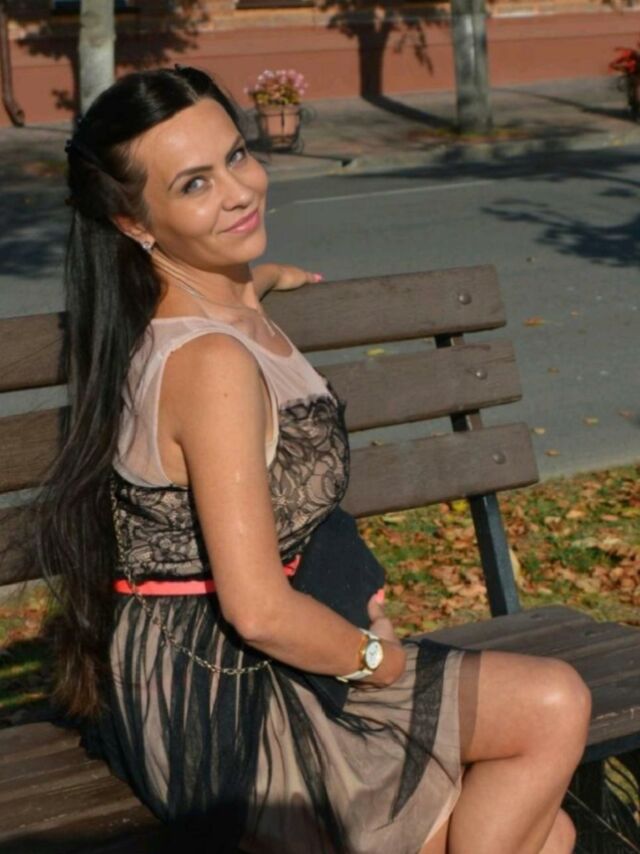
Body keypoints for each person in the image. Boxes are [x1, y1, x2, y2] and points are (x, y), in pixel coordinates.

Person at [37, 66, 592, 854]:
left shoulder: (218, 301)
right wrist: (378, 661)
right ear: (134, 222)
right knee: (553, 707)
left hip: (245, 647)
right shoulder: (210, 365)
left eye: (236, 156)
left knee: (549, 831)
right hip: (226, 691)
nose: (239, 192)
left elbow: (231, 296)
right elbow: (258, 611)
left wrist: (264, 279)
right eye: (195, 184)